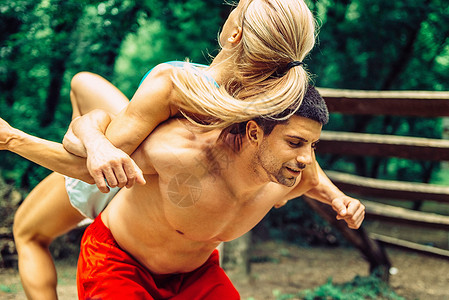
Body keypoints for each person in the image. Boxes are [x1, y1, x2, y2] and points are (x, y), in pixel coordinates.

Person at [10, 0, 319, 298]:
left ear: (233, 33)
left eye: (236, 7)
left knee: (28, 234)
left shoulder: (175, 84)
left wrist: (27, 138)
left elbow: (87, 164)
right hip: (167, 197)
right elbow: (309, 167)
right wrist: (335, 197)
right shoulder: (279, 112)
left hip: (129, 176)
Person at [2, 85, 365, 298]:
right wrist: (13, 139)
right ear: (255, 133)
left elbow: (316, 178)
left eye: (312, 146)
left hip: (195, 275)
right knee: (30, 232)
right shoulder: (182, 152)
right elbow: (85, 168)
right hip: (119, 262)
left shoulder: (292, 171)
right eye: (297, 142)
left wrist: (340, 200)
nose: (305, 157)